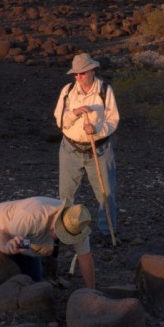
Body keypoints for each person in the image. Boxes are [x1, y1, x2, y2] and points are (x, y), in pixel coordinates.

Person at [54, 53, 120, 242]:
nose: (78, 77)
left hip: (99, 150)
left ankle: (109, 233)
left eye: (81, 73)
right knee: (65, 195)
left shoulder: (105, 91)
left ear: (91, 71)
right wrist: (74, 113)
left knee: (106, 195)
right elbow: (60, 121)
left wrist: (97, 129)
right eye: (75, 74)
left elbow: (113, 120)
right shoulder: (68, 91)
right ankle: (65, 231)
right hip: (70, 149)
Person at [0, 197, 96, 288]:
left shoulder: (77, 224)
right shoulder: (35, 216)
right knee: (2, 282)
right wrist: (6, 248)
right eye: (60, 233)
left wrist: (91, 291)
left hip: (27, 238)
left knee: (34, 284)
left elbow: (84, 257)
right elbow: (0, 237)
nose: (61, 239)